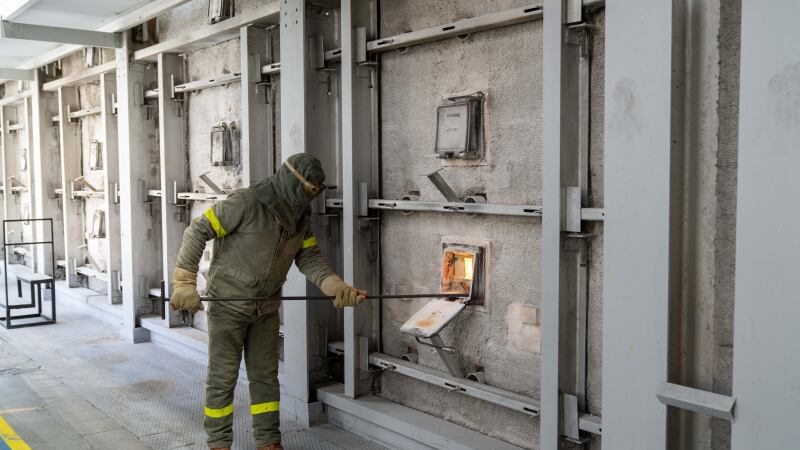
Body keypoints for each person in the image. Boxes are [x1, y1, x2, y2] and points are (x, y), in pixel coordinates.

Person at [169, 153, 367, 450]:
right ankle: (219, 443)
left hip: (266, 308)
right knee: (222, 379)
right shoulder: (246, 203)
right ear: (293, 182)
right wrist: (184, 282)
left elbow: (309, 257)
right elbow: (198, 230)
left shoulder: (299, 218)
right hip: (229, 307)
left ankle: (268, 441)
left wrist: (334, 285)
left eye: (316, 191)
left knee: (266, 377)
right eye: (309, 190)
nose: (311, 197)